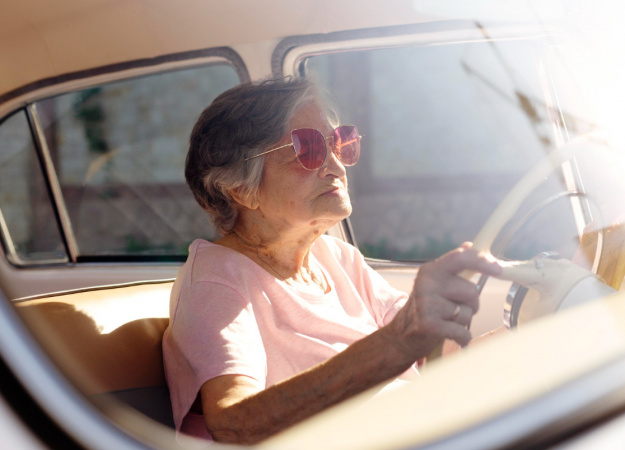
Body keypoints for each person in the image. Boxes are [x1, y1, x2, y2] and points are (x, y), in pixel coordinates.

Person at [162, 77, 502, 444]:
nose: (336, 166)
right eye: (307, 150)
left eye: (339, 144)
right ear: (241, 189)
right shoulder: (216, 280)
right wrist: (395, 343)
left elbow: (432, 354)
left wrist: (538, 324)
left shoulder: (336, 256)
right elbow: (232, 422)